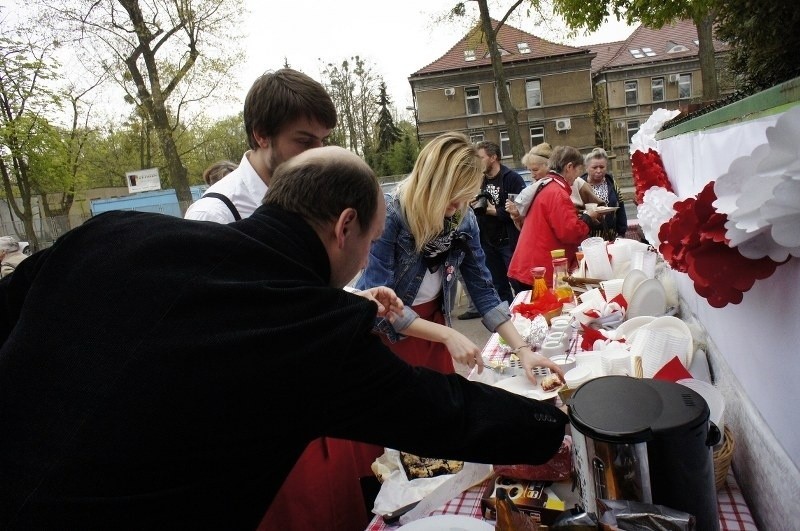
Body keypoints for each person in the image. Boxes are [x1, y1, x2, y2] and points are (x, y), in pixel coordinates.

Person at [0, 146, 569, 529]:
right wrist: (556, 421)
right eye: (369, 242)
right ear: (344, 226)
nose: (367, 256)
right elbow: (444, 412)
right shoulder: (308, 325)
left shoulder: (112, 233)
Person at [355, 133, 563, 380]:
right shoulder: (390, 215)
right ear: (429, 185)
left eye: (464, 200)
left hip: (432, 326)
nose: (457, 209)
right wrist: (448, 335)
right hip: (391, 336)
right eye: (452, 200)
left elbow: (483, 290)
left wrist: (523, 350)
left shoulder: (462, 219)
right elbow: (381, 308)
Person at [185, 68, 336, 222]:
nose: (319, 154)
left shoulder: (315, 203)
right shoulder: (213, 216)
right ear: (262, 135)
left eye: (324, 140)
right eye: (305, 141)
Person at [507, 145, 602, 292]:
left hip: (531, 266)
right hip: (539, 271)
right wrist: (588, 217)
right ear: (569, 167)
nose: (578, 177)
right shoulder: (557, 192)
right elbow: (570, 232)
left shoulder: (547, 187)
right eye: (578, 171)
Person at [457, 141, 524, 319]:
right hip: (487, 241)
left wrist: (491, 211)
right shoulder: (480, 180)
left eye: (481, 158)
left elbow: (519, 210)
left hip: (508, 241)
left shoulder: (511, 178)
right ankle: (510, 321)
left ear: (493, 158)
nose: (478, 162)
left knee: (518, 282)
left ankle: (525, 317)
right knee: (499, 285)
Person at [581, 147, 628, 241]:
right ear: (586, 168)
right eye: (594, 167)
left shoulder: (611, 183)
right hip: (588, 237)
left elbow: (621, 207)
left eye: (602, 167)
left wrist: (621, 232)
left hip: (611, 236)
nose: (599, 171)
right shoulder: (580, 185)